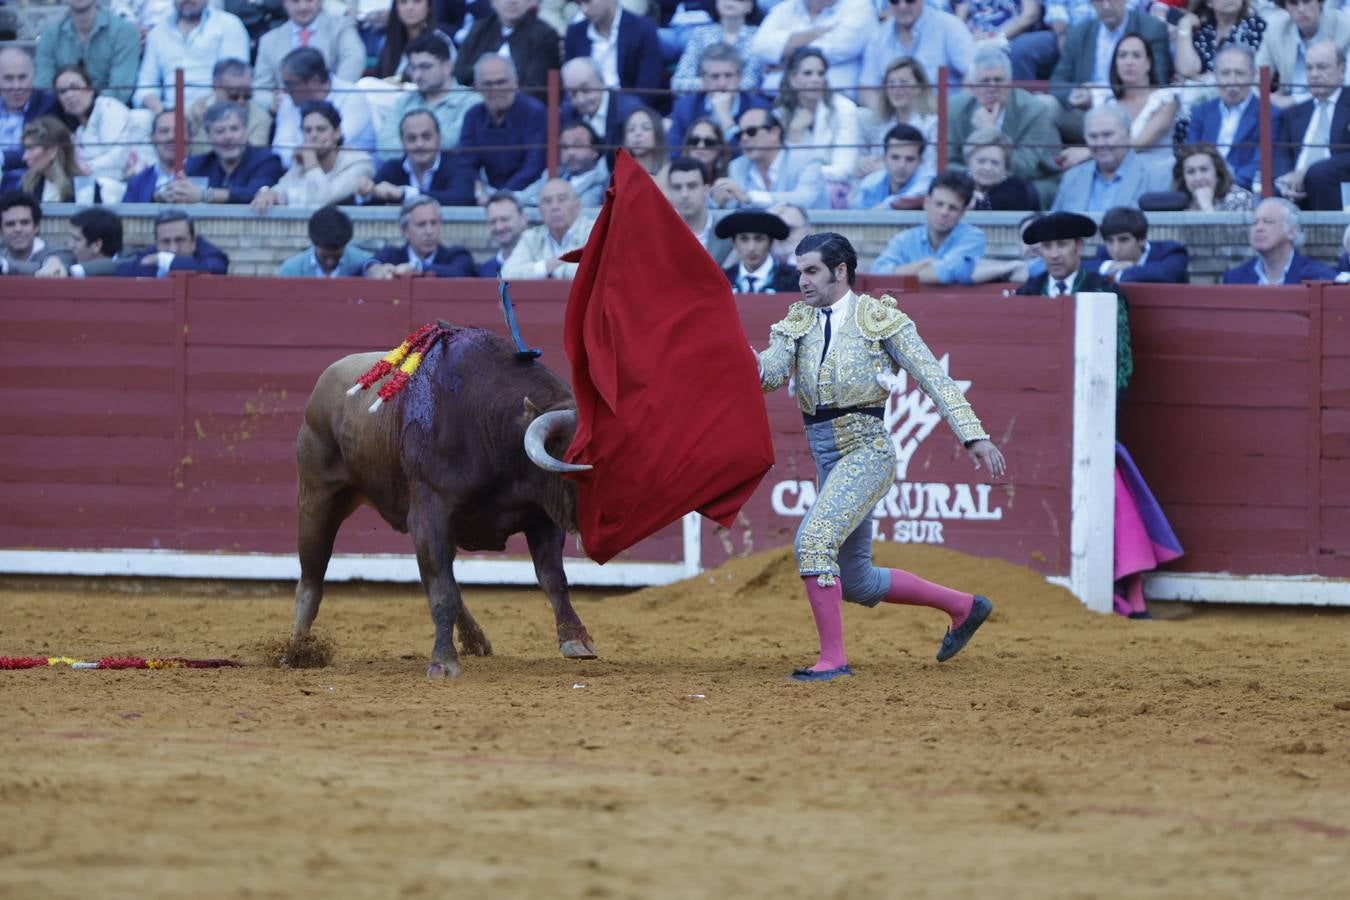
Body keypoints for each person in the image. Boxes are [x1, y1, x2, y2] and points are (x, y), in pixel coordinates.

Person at [756, 231, 1005, 680]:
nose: (802, 281)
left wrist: (974, 436)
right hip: (827, 458)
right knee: (857, 581)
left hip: (867, 452)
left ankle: (833, 660)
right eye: (799, 272)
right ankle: (965, 607)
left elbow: (933, 376)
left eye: (812, 271)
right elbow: (770, 377)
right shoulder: (797, 321)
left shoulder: (878, 317)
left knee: (813, 542)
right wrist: (732, 352)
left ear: (840, 271)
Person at [1018, 211, 1180, 619]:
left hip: (1091, 419)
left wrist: (1101, 421)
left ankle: (1130, 582)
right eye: (1046, 247)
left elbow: (1121, 363)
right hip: (1040, 428)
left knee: (1109, 489)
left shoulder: (1105, 291)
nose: (1053, 255)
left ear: (1079, 248)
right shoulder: (1026, 294)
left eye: (1061, 246)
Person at [946, 44, 1063, 209]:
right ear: (972, 87)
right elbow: (947, 162)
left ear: (1009, 83)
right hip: (970, 182)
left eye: (998, 80)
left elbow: (1023, 168)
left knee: (1007, 195)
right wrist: (975, 177)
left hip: (1029, 183)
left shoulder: (1035, 110)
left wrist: (989, 132)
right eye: (985, 81)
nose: (992, 87)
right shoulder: (955, 108)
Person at [1048, 0, 1170, 143]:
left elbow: (1158, 80)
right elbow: (1058, 81)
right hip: (1088, 113)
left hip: (1132, 111)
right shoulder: (1079, 32)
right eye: (1099, 1)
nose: (1106, 6)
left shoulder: (1152, 28)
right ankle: (1056, 164)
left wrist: (1096, 95)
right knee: (1045, 106)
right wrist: (1078, 93)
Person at [774, 47, 858, 207]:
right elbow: (778, 171)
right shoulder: (780, 113)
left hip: (833, 191)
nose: (816, 79)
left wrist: (807, 176)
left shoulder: (844, 109)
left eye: (820, 74)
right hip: (793, 191)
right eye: (808, 73)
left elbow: (844, 169)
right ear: (792, 79)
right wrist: (795, 133)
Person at [134, 0, 250, 115]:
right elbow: (146, 86)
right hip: (169, 112)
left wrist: (201, 108)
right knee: (140, 118)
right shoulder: (158, 32)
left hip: (215, 111)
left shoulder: (229, 25)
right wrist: (162, 112)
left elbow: (235, 81)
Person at [253, 101, 375, 210]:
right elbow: (283, 189)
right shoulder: (303, 160)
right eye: (308, 130)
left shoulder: (359, 162)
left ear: (337, 133)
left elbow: (323, 199)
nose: (313, 135)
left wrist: (311, 163)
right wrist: (268, 193)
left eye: (321, 129)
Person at [1272, 41, 1350, 211]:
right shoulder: (1294, 113)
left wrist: (1306, 173)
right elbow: (1281, 154)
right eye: (1309, 68)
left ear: (1342, 70)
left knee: (1319, 175)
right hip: (1294, 191)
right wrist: (1284, 179)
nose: (1314, 74)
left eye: (1322, 67)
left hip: (1333, 185)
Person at [870, 170, 985, 284]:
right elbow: (877, 273)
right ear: (926, 203)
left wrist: (903, 272)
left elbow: (941, 274)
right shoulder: (905, 239)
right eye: (939, 204)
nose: (944, 212)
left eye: (953, 208)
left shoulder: (973, 237)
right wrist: (926, 262)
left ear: (963, 212)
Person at [1051, 104, 1171, 213]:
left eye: (1107, 135)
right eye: (1093, 136)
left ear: (1128, 135)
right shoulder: (1072, 178)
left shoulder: (1157, 176)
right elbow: (1055, 227)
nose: (1100, 143)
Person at [376, 33, 474, 163]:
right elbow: (385, 148)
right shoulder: (404, 102)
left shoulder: (470, 101)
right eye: (413, 67)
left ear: (447, 67)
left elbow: (454, 141)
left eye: (425, 67)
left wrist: (408, 144)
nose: (417, 75)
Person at [458, 55, 547, 198]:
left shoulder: (535, 112)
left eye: (501, 82)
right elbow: (466, 163)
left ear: (515, 82)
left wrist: (502, 196)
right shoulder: (473, 116)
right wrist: (477, 187)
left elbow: (534, 166)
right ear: (477, 86)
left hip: (530, 194)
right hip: (489, 195)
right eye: (488, 84)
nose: (495, 89)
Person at [272, 47, 376, 168]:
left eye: (291, 84)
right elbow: (281, 151)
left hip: (351, 173)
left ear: (315, 80)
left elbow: (332, 149)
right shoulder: (289, 100)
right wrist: (302, 155)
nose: (286, 90)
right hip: (299, 174)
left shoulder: (353, 97)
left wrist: (301, 153)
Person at [1186, 45, 1271, 190]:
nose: (1232, 80)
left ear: (1253, 74)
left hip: (1242, 190)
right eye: (1225, 73)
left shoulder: (1268, 113)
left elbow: (1260, 163)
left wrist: (1223, 185)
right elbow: (1191, 155)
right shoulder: (1201, 112)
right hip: (1201, 187)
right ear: (1215, 76)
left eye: (1240, 73)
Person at [1088, 32, 1179, 168]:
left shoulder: (1166, 99)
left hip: (1155, 178)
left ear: (1148, 63)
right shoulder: (1107, 103)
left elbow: (1139, 144)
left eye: (1136, 56)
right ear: (1116, 63)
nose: (1129, 62)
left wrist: (1087, 153)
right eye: (1122, 56)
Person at [749, 0, 873, 97]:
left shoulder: (858, 5)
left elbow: (840, 47)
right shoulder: (787, 7)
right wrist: (814, 34)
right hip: (777, 98)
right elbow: (759, 46)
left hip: (834, 99)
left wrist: (786, 60)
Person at [667, 42, 771, 153]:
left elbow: (751, 158)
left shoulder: (759, 108)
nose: (722, 83)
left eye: (728, 75)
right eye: (715, 77)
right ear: (703, 79)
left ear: (740, 77)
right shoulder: (685, 108)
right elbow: (675, 154)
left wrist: (726, 119)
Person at [172, 102, 284, 204]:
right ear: (209, 136)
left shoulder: (266, 160)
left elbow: (254, 193)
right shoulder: (197, 163)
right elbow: (178, 190)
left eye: (234, 129)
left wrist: (205, 194)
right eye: (220, 131)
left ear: (245, 131)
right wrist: (163, 194)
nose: (228, 136)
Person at [358, 109, 476, 207]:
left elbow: (461, 199)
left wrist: (404, 194)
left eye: (426, 137)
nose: (419, 144)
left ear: (439, 138)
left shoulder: (459, 166)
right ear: (402, 142)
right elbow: (369, 203)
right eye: (411, 138)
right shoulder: (391, 169)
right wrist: (366, 192)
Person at [34, 0, 141, 105]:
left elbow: (120, 91)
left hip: (110, 111)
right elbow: (43, 87)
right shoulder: (49, 36)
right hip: (62, 111)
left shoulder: (124, 32)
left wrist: (84, 105)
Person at [714, 107, 824, 209]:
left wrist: (750, 197)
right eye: (739, 134)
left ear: (774, 133)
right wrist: (723, 200)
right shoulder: (737, 166)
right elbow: (734, 205)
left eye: (751, 132)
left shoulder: (806, 158)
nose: (744, 138)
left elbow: (805, 199)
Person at [563, 0, 664, 110]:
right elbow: (570, 83)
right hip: (584, 111)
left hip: (629, 113)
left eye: (588, 2)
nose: (584, 10)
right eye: (579, 4)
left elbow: (648, 88)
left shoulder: (643, 29)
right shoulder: (575, 32)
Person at [858, 0, 974, 93]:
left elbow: (974, 73)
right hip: (895, 118)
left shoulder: (950, 27)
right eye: (895, 1)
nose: (902, 6)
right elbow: (867, 89)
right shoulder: (878, 37)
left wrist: (957, 110)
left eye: (910, 0)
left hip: (943, 116)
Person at [253, 0, 366, 94]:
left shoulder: (342, 27)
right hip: (286, 110)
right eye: (295, 1)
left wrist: (332, 95)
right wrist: (273, 102)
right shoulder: (269, 41)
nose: (303, 7)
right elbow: (260, 90)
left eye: (309, 0)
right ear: (284, 3)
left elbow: (355, 60)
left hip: (334, 107)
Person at [52, 64, 136, 186]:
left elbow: (120, 157)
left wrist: (85, 169)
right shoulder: (77, 132)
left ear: (90, 89)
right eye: (62, 91)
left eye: (75, 87)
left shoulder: (109, 108)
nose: (69, 95)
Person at [1221, 197, 1340, 284]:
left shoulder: (1319, 277)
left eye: (1268, 221)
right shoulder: (1234, 278)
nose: (1259, 228)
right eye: (1255, 222)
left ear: (1291, 232)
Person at [1257, 0, 1350, 109]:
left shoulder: (1345, 27)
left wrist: (1295, 100)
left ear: (1320, 2)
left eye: (1307, 2)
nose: (1301, 9)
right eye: (1293, 3)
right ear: (1285, 7)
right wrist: (1264, 98)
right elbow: (1259, 75)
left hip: (1334, 106)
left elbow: (1346, 85)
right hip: (1287, 110)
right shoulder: (1275, 28)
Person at [453, 0, 560, 94]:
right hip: (474, 101)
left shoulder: (544, 35)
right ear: (493, 2)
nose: (512, 1)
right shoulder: (480, 29)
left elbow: (535, 87)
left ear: (530, 2)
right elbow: (460, 74)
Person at [856, 57, 936, 176]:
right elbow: (875, 160)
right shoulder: (882, 122)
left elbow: (930, 168)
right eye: (891, 83)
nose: (896, 89)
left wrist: (886, 168)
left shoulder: (932, 124)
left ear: (920, 87)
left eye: (903, 83)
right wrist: (863, 163)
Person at [501, 178, 596, 279]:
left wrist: (548, 270)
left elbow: (595, 271)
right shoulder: (531, 238)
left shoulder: (593, 232)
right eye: (547, 201)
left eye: (562, 199)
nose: (554, 206)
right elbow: (506, 274)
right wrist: (547, 266)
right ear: (540, 210)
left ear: (577, 206)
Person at [364, 195, 475, 278]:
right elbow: (367, 265)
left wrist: (416, 268)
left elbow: (458, 273)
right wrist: (373, 269)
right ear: (405, 231)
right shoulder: (392, 255)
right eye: (421, 225)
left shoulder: (456, 255)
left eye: (434, 223)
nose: (429, 231)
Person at [558, 57, 648, 158]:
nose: (580, 99)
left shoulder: (630, 111)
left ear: (602, 81)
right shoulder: (567, 114)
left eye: (586, 89)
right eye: (573, 93)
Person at [1, 205, 124, 276]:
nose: (70, 245)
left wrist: (71, 271)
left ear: (96, 245)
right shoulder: (68, 258)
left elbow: (118, 266)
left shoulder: (130, 258)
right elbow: (39, 268)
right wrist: (52, 261)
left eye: (76, 239)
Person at [671, 0, 763, 93]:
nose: (729, 1)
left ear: (750, 6)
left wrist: (712, 83)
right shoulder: (700, 34)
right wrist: (717, 85)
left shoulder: (759, 37)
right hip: (701, 101)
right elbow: (679, 83)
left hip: (744, 103)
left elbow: (751, 84)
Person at [184, 60, 275, 155]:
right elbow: (184, 157)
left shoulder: (261, 119)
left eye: (247, 95)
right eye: (234, 95)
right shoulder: (195, 110)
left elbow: (253, 158)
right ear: (216, 86)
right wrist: (195, 127)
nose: (241, 101)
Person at [519, 120, 609, 207]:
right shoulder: (552, 174)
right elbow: (521, 198)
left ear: (595, 151)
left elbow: (577, 213)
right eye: (565, 147)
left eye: (578, 145)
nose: (570, 152)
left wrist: (534, 203)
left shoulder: (602, 184)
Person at [116, 208, 230, 276]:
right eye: (166, 242)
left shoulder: (212, 255)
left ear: (194, 241)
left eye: (180, 240)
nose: (173, 249)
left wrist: (163, 260)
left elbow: (214, 268)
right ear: (156, 243)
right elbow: (123, 272)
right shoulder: (152, 253)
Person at [1, 48, 60, 176]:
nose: (16, 86)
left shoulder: (47, 104)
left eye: (22, 78)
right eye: (8, 79)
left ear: (33, 78)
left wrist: (2, 158)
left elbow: (42, 150)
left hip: (29, 181)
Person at [1092, 205, 1189, 284]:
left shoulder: (1170, 250)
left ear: (1142, 239)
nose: (1116, 249)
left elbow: (1170, 273)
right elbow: (1083, 268)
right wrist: (1110, 266)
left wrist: (1122, 272)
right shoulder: (1103, 253)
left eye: (1123, 240)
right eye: (1110, 241)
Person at [1173, 0, 1266, 80]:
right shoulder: (1203, 31)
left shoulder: (1256, 26)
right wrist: (1184, 26)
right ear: (1209, 2)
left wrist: (1204, 79)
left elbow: (1251, 71)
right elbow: (1187, 70)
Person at [847, 124, 933, 210]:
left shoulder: (928, 181)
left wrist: (882, 209)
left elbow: (907, 201)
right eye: (895, 157)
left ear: (921, 162)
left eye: (909, 159)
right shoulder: (871, 183)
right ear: (884, 159)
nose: (901, 165)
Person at [716, 207, 798, 292]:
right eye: (744, 239)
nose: (752, 248)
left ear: (770, 242)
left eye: (759, 239)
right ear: (734, 243)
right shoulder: (723, 280)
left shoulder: (794, 279)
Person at [668, 156, 731, 265]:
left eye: (692, 186)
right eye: (677, 187)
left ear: (706, 190)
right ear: (670, 192)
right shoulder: (660, 229)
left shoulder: (728, 223)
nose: (684, 195)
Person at [279, 204, 372, 277]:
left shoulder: (366, 264)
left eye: (336, 256)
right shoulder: (291, 270)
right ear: (314, 243)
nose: (330, 262)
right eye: (324, 256)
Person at [375, 0, 457, 81]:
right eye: (403, 2)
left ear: (429, 5)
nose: (410, 7)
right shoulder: (387, 41)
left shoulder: (441, 40)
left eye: (417, 1)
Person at [963, 129, 1040, 211]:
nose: (987, 168)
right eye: (981, 161)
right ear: (968, 162)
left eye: (995, 163)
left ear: (1005, 166)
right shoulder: (958, 184)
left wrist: (976, 203)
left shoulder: (1016, 189)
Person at [1173, 142, 1256, 211]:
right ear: (1183, 177)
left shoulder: (1240, 199)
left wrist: (1207, 207)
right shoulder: (1176, 203)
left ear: (1217, 172)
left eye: (1204, 169)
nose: (1198, 178)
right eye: (1190, 172)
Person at [20, 118, 82, 202]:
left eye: (31, 148)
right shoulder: (27, 186)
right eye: (25, 149)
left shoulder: (83, 189)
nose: (24, 157)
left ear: (52, 151)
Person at [123, 110, 178, 202]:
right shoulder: (137, 183)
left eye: (178, 131)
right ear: (152, 138)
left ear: (190, 136)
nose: (171, 137)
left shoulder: (205, 170)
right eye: (164, 131)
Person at [478, 190, 529, 277]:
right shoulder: (484, 273)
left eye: (505, 219)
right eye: (493, 221)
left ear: (523, 219)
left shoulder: (544, 265)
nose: (499, 227)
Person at [619, 106, 669, 180]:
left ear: (657, 134)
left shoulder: (669, 175)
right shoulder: (616, 179)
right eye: (631, 129)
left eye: (646, 128)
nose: (637, 133)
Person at [0, 191, 45, 264]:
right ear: (1, 230)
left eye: (24, 223)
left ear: (36, 227)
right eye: (10, 224)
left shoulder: (57, 254)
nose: (18, 229)